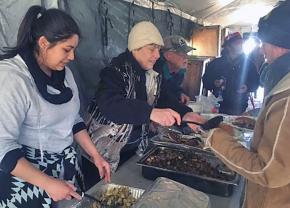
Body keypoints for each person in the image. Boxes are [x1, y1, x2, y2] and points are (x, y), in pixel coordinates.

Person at [0, 6, 110, 208]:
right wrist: (48, 183)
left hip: (65, 169)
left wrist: (95, 156)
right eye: (67, 49)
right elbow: (3, 148)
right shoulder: (12, 79)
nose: (72, 57)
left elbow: (73, 120)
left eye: (74, 50)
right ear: (43, 43)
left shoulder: (64, 74)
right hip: (27, 177)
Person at [203, 1, 290, 207]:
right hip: (223, 105)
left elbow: (268, 171)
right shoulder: (217, 62)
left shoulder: (285, 100)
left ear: (278, 43)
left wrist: (213, 136)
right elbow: (205, 80)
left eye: (263, 43)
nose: (262, 50)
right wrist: (258, 119)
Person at [87, 21, 202, 172]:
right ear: (136, 47)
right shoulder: (115, 71)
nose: (156, 55)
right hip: (102, 155)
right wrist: (150, 113)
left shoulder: (152, 73)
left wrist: (185, 113)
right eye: (152, 49)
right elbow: (111, 105)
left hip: (132, 149)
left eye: (159, 49)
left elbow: (162, 97)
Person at [202, 32, 260, 115]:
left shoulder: (249, 64)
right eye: (237, 43)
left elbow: (256, 82)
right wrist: (213, 82)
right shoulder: (216, 63)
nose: (241, 45)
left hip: (239, 105)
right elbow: (205, 80)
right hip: (217, 105)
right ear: (228, 47)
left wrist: (247, 87)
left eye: (241, 43)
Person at [156, 35, 195, 104]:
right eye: (181, 53)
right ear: (168, 55)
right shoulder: (156, 71)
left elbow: (174, 88)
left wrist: (180, 93)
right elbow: (162, 97)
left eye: (186, 53)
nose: (186, 57)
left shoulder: (180, 72)